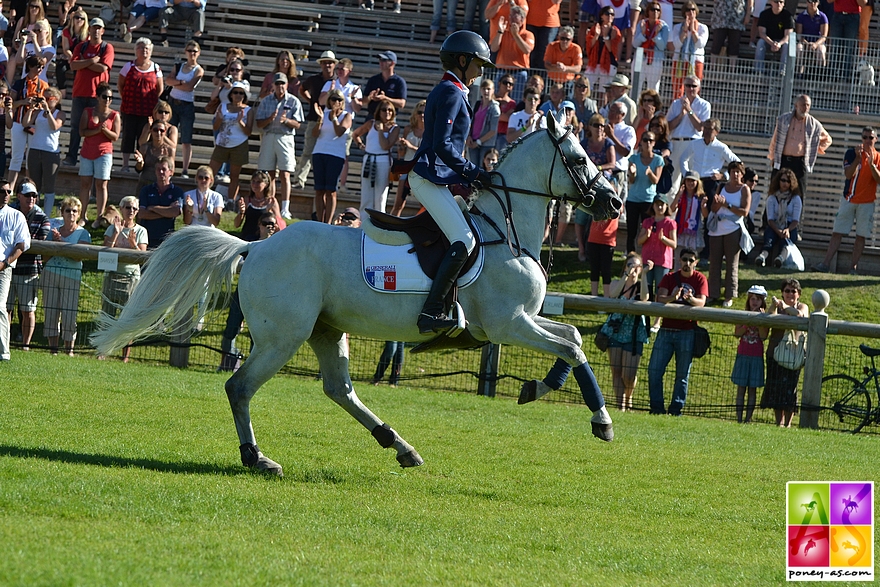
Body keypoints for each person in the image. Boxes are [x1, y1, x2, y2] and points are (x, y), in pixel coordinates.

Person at [409, 30, 495, 335]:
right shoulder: (451, 92)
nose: (481, 71)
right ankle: (430, 312)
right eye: (478, 64)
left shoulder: (454, 89)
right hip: (428, 177)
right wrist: (473, 173)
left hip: (438, 177)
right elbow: (444, 147)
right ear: (462, 60)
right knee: (465, 240)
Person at [647, 246, 708, 416]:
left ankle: (676, 410)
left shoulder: (700, 279)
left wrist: (690, 299)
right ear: (679, 261)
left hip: (687, 331)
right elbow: (660, 298)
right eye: (684, 260)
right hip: (666, 330)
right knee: (654, 371)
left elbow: (702, 302)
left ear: (696, 262)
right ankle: (656, 408)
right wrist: (673, 298)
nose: (687, 263)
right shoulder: (669, 277)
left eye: (691, 260)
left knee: (682, 374)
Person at [812, 127, 880, 275]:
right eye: (865, 137)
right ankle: (825, 263)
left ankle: (853, 268)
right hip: (849, 198)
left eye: (871, 138)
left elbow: (878, 179)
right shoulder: (851, 153)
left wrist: (871, 165)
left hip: (867, 202)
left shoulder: (878, 157)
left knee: (861, 236)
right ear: (861, 138)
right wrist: (858, 158)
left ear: (876, 139)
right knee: (837, 232)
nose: (867, 140)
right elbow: (848, 175)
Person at [219, 211, 278, 371]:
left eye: (272, 224)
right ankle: (227, 363)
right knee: (231, 327)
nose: (269, 227)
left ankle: (252, 369)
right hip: (243, 292)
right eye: (266, 223)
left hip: (265, 296)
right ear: (259, 225)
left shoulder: (279, 248)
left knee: (257, 333)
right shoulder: (250, 245)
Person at [100, 195, 148, 362]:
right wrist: (116, 234)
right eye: (128, 207)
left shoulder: (141, 231)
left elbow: (142, 257)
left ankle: (125, 357)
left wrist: (133, 243)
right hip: (112, 275)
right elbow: (105, 251)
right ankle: (103, 352)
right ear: (121, 209)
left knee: (128, 318)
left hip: (131, 278)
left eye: (134, 208)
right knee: (108, 315)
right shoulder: (113, 227)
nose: (131, 211)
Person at [42, 195, 91, 356]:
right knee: (51, 312)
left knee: (69, 315)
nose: (71, 213)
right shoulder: (53, 232)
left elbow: (78, 256)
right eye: (68, 210)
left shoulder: (83, 233)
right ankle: (52, 350)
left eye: (75, 211)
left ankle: (69, 350)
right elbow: (45, 256)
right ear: (62, 213)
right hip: (50, 274)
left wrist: (60, 242)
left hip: (72, 277)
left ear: (79, 214)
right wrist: (54, 243)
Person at [63, 16, 113, 167]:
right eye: (94, 27)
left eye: (99, 28)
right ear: (89, 29)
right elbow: (73, 66)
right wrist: (91, 61)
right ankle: (71, 157)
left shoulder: (106, 48)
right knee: (75, 126)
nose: (96, 30)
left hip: (97, 96)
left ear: (102, 31)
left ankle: (92, 157)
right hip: (79, 92)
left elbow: (103, 68)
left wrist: (83, 63)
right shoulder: (81, 46)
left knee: (94, 127)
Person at [256, 72, 304, 221]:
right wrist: (270, 118)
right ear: (273, 85)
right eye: (277, 84)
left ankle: (285, 208)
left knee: (285, 174)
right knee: (269, 174)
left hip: (285, 137)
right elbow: (259, 123)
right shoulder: (266, 101)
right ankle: (270, 205)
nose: (280, 86)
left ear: (287, 85)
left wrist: (286, 121)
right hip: (269, 135)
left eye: (282, 83)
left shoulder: (294, 101)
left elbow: (298, 124)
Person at [761, 278, 808, 427]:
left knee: (790, 390)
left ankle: (788, 424)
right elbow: (770, 318)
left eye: (793, 291)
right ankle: (778, 423)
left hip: (794, 356)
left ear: (798, 294)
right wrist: (774, 306)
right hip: (775, 354)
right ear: (782, 293)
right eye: (786, 291)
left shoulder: (803, 306)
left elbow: (800, 315)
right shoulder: (778, 306)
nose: (790, 293)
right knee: (776, 389)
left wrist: (785, 306)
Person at [5, 180, 47, 352]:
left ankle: (25, 345)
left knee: (27, 310)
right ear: (19, 196)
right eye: (28, 195)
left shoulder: (42, 217)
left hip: (29, 271)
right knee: (5, 308)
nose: (32, 198)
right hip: (7, 268)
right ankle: (4, 341)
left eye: (34, 195)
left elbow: (40, 240)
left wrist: (17, 243)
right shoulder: (9, 213)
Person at [605, 252, 650, 411]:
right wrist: (626, 276)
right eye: (630, 265)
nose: (634, 269)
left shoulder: (641, 285)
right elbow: (613, 294)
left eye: (637, 266)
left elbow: (644, 298)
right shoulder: (617, 282)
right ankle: (620, 406)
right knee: (616, 372)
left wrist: (643, 275)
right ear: (625, 267)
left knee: (629, 375)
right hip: (616, 331)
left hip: (635, 333)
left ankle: (629, 397)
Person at [705, 161, 752, 307]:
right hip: (717, 229)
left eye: (738, 172)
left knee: (731, 263)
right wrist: (718, 204)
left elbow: (744, 211)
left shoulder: (744, 189)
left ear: (742, 174)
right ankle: (713, 293)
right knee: (714, 263)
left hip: (733, 229)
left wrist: (728, 206)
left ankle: (729, 295)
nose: (735, 174)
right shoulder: (722, 187)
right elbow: (713, 208)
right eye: (733, 171)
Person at [767, 94, 832, 198]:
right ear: (796, 105)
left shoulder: (814, 124)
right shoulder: (783, 120)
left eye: (808, 105)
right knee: (774, 192)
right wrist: (772, 156)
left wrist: (815, 148)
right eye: (802, 105)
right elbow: (775, 139)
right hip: (783, 160)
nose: (805, 108)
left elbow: (828, 140)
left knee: (799, 194)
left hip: (800, 162)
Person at [117, 37, 163, 173]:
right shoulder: (128, 66)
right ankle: (125, 165)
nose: (144, 50)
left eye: (147, 48)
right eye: (141, 47)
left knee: (143, 139)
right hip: (129, 109)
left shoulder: (156, 68)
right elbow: (121, 84)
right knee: (127, 137)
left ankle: (140, 165)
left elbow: (159, 89)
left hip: (147, 111)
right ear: (136, 50)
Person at [293, 50, 336, 190]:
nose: (327, 65)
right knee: (308, 150)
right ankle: (300, 180)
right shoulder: (313, 79)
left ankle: (328, 183)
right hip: (314, 118)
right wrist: (311, 101)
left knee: (330, 153)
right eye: (324, 63)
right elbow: (302, 89)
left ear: (334, 65)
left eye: (329, 62)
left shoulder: (337, 81)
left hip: (332, 121)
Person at [78, 81, 119, 228]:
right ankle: (82, 215)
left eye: (110, 97)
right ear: (97, 97)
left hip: (104, 152)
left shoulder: (114, 115)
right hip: (87, 151)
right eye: (104, 97)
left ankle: (99, 217)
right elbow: (82, 132)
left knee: (101, 184)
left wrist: (105, 131)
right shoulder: (88, 111)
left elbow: (115, 136)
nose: (107, 100)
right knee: (85, 183)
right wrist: (97, 130)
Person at [319, 58, 362, 192]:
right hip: (328, 121)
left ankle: (342, 185)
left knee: (344, 155)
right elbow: (321, 101)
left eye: (342, 69)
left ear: (350, 71)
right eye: (338, 69)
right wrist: (330, 92)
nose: (339, 71)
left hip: (345, 123)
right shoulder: (329, 84)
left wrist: (353, 97)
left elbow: (357, 109)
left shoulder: (354, 88)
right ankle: (325, 182)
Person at [577, 112, 616, 262]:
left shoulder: (608, 143)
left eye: (601, 125)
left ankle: (595, 250)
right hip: (586, 182)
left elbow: (612, 163)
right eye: (596, 125)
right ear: (590, 127)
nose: (599, 128)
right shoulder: (584, 143)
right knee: (581, 216)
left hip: (603, 181)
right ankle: (581, 249)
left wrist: (597, 168)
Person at [311, 88, 352, 223]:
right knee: (319, 190)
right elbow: (315, 134)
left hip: (335, 155)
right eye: (333, 99)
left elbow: (339, 132)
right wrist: (320, 120)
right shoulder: (324, 113)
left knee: (330, 190)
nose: (336, 102)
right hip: (319, 152)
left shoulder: (346, 115)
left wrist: (334, 117)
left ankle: (328, 221)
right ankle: (319, 220)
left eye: (339, 99)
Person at [352, 98, 400, 214]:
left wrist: (380, 131)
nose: (387, 112)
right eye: (384, 110)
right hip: (369, 159)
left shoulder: (395, 128)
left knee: (380, 197)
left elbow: (385, 146)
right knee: (366, 195)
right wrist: (360, 145)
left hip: (383, 160)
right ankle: (363, 225)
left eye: (390, 110)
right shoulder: (371, 123)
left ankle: (378, 226)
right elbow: (356, 134)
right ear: (379, 111)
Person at [7, 55, 48, 191]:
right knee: (17, 156)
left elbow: (49, 103)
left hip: (34, 124)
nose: (40, 69)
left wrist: (39, 106)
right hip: (18, 122)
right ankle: (10, 188)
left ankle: (29, 188)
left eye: (42, 67)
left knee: (31, 159)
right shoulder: (20, 83)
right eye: (38, 66)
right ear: (30, 67)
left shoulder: (43, 85)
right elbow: (10, 104)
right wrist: (23, 102)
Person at [209, 81, 254, 204]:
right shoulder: (222, 106)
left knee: (234, 175)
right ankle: (205, 195)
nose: (238, 95)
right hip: (222, 144)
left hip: (239, 144)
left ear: (244, 95)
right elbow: (215, 127)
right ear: (231, 94)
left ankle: (230, 201)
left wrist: (240, 122)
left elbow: (249, 131)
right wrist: (219, 119)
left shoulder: (248, 110)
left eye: (241, 93)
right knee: (210, 171)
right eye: (235, 92)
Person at [0, 178, 30, 361]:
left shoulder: (16, 216)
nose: (5, 195)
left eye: (8, 192)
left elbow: (22, 245)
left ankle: (3, 352)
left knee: (0, 308)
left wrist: (5, 263)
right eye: (2, 191)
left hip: (4, 269)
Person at [165, 40, 203, 178]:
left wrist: (176, 83)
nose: (192, 53)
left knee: (186, 139)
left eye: (194, 51)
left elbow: (190, 87)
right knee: (170, 135)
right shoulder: (179, 65)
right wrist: (181, 82)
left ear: (198, 53)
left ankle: (185, 170)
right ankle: (170, 166)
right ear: (185, 52)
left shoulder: (198, 69)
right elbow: (168, 80)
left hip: (186, 105)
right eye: (189, 50)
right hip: (172, 103)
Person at [732, 285, 769, 424]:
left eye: (758, 299)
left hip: (756, 357)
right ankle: (739, 418)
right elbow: (737, 333)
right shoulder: (743, 315)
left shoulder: (765, 318)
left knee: (752, 390)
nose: (755, 302)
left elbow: (764, 336)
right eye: (752, 299)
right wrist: (748, 323)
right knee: (741, 389)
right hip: (743, 354)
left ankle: (748, 419)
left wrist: (759, 321)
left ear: (762, 302)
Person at [679, 117, 739, 202]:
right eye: (705, 128)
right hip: (696, 182)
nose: (706, 131)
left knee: (709, 210)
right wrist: (687, 175)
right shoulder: (694, 144)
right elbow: (683, 159)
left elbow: (738, 164)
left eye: (710, 129)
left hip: (711, 182)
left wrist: (724, 176)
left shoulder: (721, 147)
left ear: (716, 132)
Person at [667, 75, 710, 190]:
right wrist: (681, 114)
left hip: (693, 143)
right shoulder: (676, 103)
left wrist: (689, 110)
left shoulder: (704, 105)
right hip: (676, 142)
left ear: (699, 88)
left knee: (693, 180)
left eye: (694, 86)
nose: (691, 88)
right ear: (684, 87)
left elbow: (700, 127)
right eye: (688, 85)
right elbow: (668, 126)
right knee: (672, 181)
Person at [24, 85, 62, 215]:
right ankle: (35, 212)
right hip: (35, 149)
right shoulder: (38, 112)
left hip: (50, 152)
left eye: (48, 98)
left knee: (49, 185)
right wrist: (31, 110)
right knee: (35, 184)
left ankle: (46, 214)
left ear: (56, 99)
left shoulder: (60, 113)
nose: (45, 100)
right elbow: (25, 123)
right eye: (43, 98)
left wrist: (47, 111)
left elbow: (54, 126)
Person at [755, 168, 802, 267]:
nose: (785, 183)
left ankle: (780, 259)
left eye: (788, 181)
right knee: (769, 239)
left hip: (789, 226)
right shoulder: (772, 198)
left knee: (786, 241)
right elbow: (770, 219)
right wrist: (778, 231)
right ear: (778, 181)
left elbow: (795, 220)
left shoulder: (796, 199)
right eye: (783, 180)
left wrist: (787, 230)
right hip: (775, 225)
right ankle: (762, 257)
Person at [637, 191, 676, 309]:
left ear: (666, 206)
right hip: (647, 259)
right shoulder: (647, 222)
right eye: (657, 204)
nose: (659, 207)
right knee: (646, 288)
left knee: (661, 290)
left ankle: (658, 318)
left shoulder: (671, 223)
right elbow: (639, 241)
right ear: (653, 206)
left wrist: (663, 238)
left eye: (662, 204)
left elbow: (674, 244)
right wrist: (646, 235)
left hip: (662, 261)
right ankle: (645, 314)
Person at [627, 130, 665, 254]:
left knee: (647, 228)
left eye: (651, 140)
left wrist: (649, 173)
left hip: (648, 200)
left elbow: (656, 181)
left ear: (654, 143)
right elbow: (631, 181)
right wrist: (632, 173)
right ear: (641, 142)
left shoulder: (658, 160)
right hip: (633, 199)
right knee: (631, 229)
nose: (648, 142)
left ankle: (646, 253)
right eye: (645, 140)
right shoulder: (634, 158)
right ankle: (630, 253)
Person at [138, 155, 183, 248]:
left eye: (164, 169)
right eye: (158, 169)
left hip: (167, 237)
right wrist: (166, 213)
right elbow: (142, 214)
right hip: (147, 236)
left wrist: (153, 208)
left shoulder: (176, 191)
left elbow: (176, 211)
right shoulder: (146, 190)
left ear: (171, 172)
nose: (161, 172)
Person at [490, 5, 534, 100]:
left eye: (515, 16)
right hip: (502, 72)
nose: (511, 18)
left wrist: (516, 35)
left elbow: (527, 50)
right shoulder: (503, 32)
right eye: (510, 16)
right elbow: (493, 48)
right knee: (497, 100)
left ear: (522, 20)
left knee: (516, 101)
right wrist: (500, 32)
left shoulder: (528, 34)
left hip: (519, 73)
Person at [391, 100, 425, 216]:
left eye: (425, 113)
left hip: (421, 170)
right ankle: (391, 228)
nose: (422, 115)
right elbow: (403, 152)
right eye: (420, 112)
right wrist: (401, 146)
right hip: (407, 168)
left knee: (424, 205)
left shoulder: (430, 131)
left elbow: (426, 151)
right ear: (415, 113)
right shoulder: (408, 129)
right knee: (398, 203)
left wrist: (410, 146)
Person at [669, 1, 708, 99]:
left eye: (693, 9)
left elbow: (700, 44)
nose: (691, 12)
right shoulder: (678, 27)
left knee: (694, 90)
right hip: (680, 61)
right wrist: (685, 31)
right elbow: (677, 44)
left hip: (695, 62)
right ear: (684, 12)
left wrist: (693, 31)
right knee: (678, 90)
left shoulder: (703, 28)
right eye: (688, 10)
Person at [133, 107, 175, 193]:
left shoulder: (169, 150)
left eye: (161, 130)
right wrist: (140, 163)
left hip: (162, 186)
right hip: (145, 184)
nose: (158, 133)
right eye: (155, 130)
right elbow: (138, 169)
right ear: (151, 131)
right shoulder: (145, 147)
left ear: (165, 132)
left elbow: (172, 171)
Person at [670, 170, 706, 267]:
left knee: (691, 257)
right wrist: (678, 195)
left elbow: (705, 214)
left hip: (694, 230)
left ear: (697, 183)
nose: (690, 183)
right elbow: (671, 209)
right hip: (681, 229)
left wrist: (703, 206)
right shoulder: (681, 195)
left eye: (693, 181)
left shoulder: (700, 196)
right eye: (688, 180)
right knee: (679, 258)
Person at [632, 1, 669, 92]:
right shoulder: (642, 24)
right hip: (640, 57)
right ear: (648, 11)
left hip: (655, 59)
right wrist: (643, 33)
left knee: (653, 89)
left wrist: (657, 34)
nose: (655, 12)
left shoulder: (664, 26)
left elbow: (662, 47)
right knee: (636, 87)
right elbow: (635, 44)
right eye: (652, 9)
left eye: (657, 10)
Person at [234, 170, 281, 242]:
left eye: (258, 182)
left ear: (266, 184)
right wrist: (241, 212)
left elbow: (280, 227)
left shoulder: (271, 201)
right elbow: (236, 225)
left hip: (265, 240)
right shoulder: (247, 200)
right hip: (248, 238)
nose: (255, 184)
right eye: (253, 181)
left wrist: (269, 211)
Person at [586, 202, 619, 297]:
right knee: (594, 269)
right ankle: (593, 297)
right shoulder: (595, 204)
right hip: (593, 239)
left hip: (608, 241)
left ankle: (606, 299)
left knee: (606, 270)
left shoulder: (616, 204)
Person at [363, 50, 407, 120]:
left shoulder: (399, 81)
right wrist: (370, 97)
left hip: (389, 118)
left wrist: (385, 98)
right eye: (380, 60)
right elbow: (364, 101)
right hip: (372, 117)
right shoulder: (373, 79)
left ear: (392, 63)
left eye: (384, 60)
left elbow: (402, 104)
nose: (380, 63)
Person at [55, 6, 87, 99]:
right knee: (60, 68)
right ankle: (63, 93)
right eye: (77, 17)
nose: (79, 20)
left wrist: (76, 60)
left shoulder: (87, 33)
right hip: (70, 56)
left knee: (78, 70)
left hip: (81, 58)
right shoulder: (66, 31)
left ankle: (76, 95)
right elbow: (66, 48)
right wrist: (72, 57)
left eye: (82, 18)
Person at [755, 0, 794, 75]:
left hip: (781, 42)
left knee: (786, 45)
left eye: (781, 2)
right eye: (776, 1)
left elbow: (788, 35)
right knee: (760, 43)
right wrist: (772, 43)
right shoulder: (764, 14)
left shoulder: (788, 16)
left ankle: (783, 72)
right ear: (771, 2)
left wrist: (779, 44)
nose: (778, 4)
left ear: (784, 3)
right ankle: (758, 70)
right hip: (768, 41)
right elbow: (762, 33)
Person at [710, 0, 751, 69]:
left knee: (734, 45)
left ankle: (732, 70)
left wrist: (748, 14)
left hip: (737, 16)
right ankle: (712, 68)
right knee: (716, 44)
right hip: (720, 15)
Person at [467, 78, 499, 166]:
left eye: (488, 89)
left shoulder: (495, 108)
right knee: (473, 167)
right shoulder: (477, 104)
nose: (486, 91)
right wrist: (469, 136)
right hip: (472, 142)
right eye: (484, 89)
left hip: (486, 144)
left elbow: (493, 130)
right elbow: (471, 121)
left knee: (483, 168)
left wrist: (478, 142)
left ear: (493, 90)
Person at [526, 0, 561, 71]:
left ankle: (542, 79)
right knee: (530, 51)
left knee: (545, 53)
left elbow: (556, 1)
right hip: (530, 20)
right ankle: (529, 78)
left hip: (549, 23)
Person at [796, 0, 829, 70]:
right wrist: (806, 43)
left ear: (818, 2)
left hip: (819, 43)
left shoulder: (823, 16)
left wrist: (816, 44)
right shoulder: (801, 16)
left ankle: (819, 73)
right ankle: (798, 71)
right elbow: (799, 34)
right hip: (804, 42)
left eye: (815, 1)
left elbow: (824, 36)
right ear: (806, 2)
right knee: (799, 49)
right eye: (810, 1)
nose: (812, 3)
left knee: (821, 51)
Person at [570, 75, 598, 141]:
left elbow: (596, 121)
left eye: (584, 86)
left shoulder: (593, 104)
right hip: (572, 136)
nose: (581, 88)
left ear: (588, 88)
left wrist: (585, 126)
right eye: (579, 86)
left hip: (589, 137)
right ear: (575, 87)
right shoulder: (570, 103)